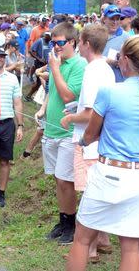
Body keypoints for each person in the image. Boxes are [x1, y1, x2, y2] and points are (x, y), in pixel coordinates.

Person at [66, 35, 139, 271]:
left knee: (82, 237)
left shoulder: (110, 92)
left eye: (120, 55)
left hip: (111, 172)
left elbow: (91, 134)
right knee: (131, 246)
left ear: (126, 60)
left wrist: (82, 140)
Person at [60, 24, 115, 263]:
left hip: (89, 142)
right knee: (97, 192)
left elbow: (92, 113)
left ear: (87, 44)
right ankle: (102, 240)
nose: (78, 44)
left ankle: (89, 248)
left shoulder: (93, 71)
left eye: (80, 41)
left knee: (90, 195)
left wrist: (70, 117)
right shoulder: (107, 69)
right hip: (101, 142)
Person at [36, 22, 86, 245]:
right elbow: (53, 92)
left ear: (72, 42)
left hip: (68, 132)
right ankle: (63, 219)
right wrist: (43, 107)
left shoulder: (78, 65)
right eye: (52, 43)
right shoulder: (58, 63)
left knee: (66, 181)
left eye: (59, 43)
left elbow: (68, 96)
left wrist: (54, 69)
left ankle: (71, 224)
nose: (55, 47)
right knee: (58, 179)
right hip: (52, 129)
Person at [0, 45, 24, 208]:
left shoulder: (12, 78)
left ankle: (1, 193)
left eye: (1, 56)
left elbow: (17, 102)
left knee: (4, 160)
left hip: (6, 123)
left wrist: (20, 125)